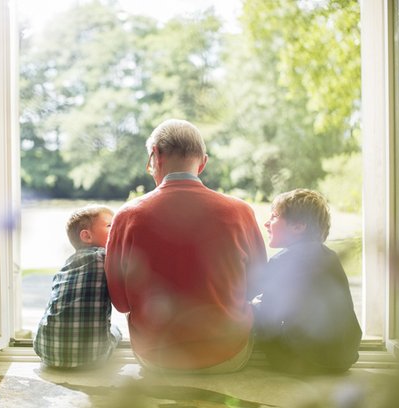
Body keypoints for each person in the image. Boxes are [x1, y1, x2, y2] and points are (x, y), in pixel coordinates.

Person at [104, 119, 267, 373]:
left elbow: (121, 303)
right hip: (228, 355)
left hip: (157, 359)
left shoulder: (127, 216)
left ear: (155, 155)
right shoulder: (240, 212)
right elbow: (256, 286)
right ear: (203, 162)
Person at [254, 188, 362, 374]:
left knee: (251, 312)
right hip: (344, 358)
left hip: (301, 361)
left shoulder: (281, 260)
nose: (266, 223)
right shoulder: (331, 257)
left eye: (274, 217)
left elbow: (267, 324)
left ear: (298, 226)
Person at [34, 204, 122, 369]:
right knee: (116, 330)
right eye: (111, 226)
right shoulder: (105, 257)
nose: (117, 229)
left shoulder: (66, 265)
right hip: (92, 357)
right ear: (87, 236)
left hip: (46, 350)